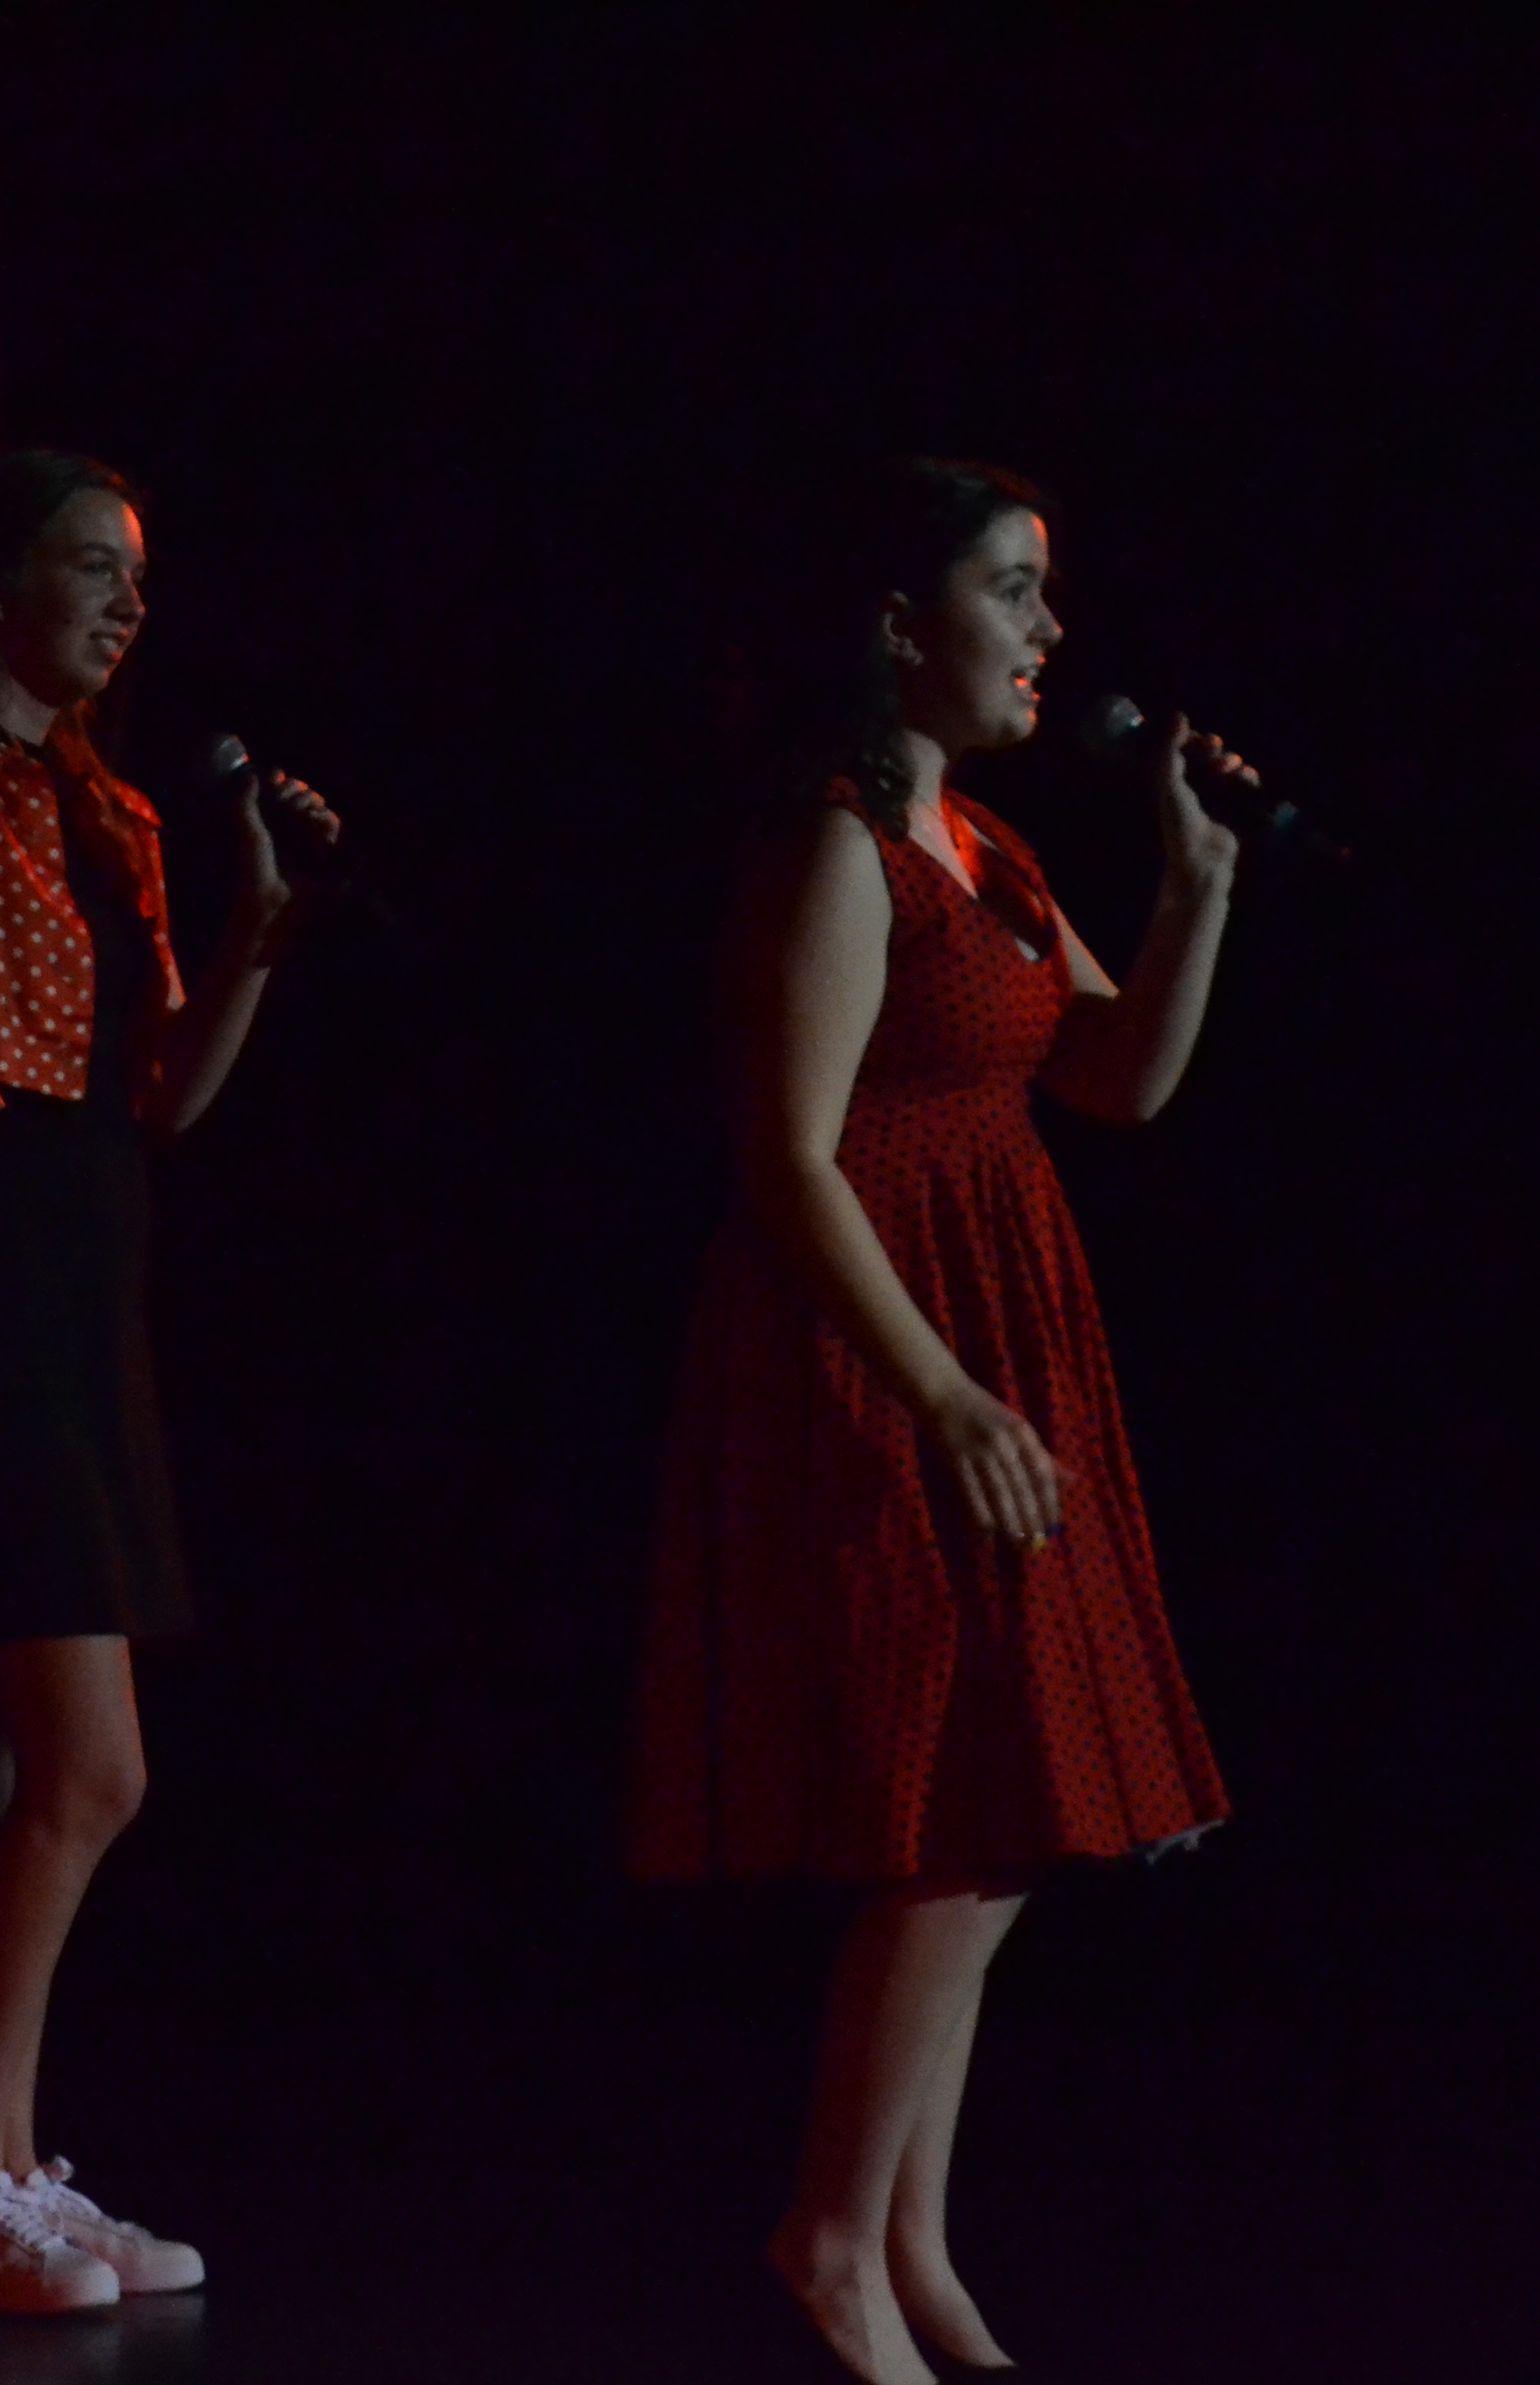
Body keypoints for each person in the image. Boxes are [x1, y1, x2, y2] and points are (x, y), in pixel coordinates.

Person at [626, 458, 1249, 2385]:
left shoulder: (991, 850)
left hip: (1003, 1338)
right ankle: (831, 2237)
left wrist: (1197, 891)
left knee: (1005, 1804)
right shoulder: (840, 850)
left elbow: (1121, 1081)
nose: (1050, 630)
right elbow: (791, 1161)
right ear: (902, 627)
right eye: (1012, 590)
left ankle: (907, 2236)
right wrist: (944, 1390)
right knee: (974, 1796)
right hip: (887, 1351)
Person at [0, 451, 338, 2310]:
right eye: (86, 568)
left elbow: (163, 1103)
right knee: (86, 1767)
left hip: (87, 1280)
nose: (127, 604)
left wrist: (256, 939)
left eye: (136, 574)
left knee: (24, 1772)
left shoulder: (107, 803)